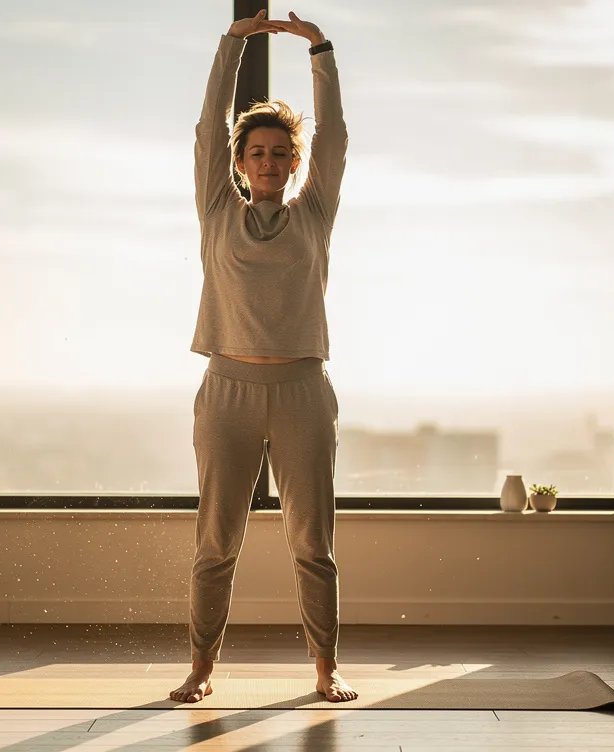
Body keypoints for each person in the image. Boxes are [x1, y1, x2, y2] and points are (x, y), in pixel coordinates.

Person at [171, 9, 356, 704]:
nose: (269, 162)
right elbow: (202, 132)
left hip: (305, 392)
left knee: (313, 546)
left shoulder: (314, 213)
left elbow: (335, 136)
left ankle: (326, 669)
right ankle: (200, 669)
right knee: (216, 545)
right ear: (240, 162)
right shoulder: (217, 207)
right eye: (257, 153)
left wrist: (320, 50)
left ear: (294, 162)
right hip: (227, 390)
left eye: (281, 153)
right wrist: (233, 42)